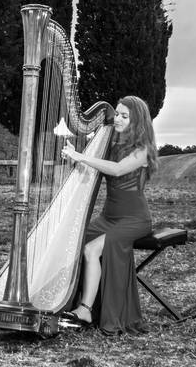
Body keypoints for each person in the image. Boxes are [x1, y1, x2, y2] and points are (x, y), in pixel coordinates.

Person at [59, 95, 158, 334]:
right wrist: (76, 156)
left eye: (126, 116)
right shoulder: (109, 144)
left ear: (138, 121)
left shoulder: (143, 149)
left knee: (91, 250)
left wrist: (81, 156)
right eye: (118, 115)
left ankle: (85, 310)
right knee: (74, 241)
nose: (119, 120)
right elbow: (94, 170)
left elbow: (116, 170)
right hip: (109, 217)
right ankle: (65, 300)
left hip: (135, 220)